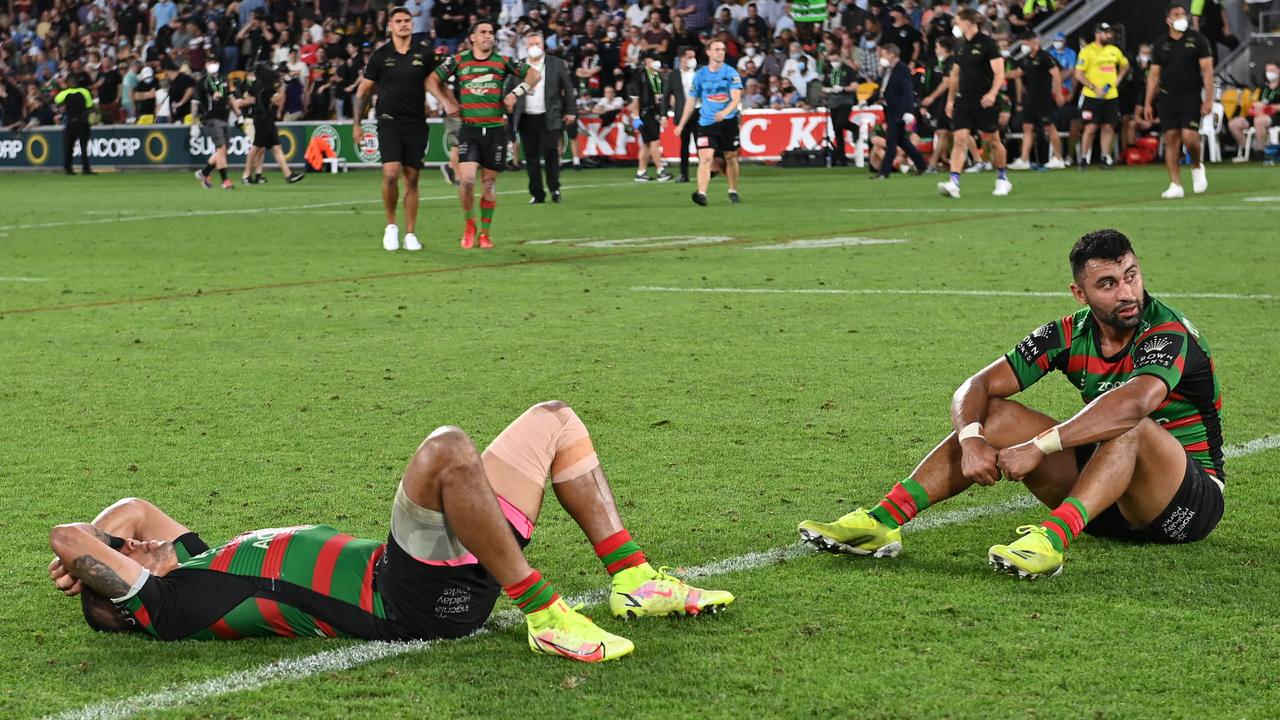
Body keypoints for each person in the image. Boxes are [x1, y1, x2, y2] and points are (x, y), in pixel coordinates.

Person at [47, 402, 734, 659]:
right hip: (406, 602)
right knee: (445, 450)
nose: (134, 541)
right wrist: (86, 555)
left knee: (556, 421)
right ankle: (545, 611)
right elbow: (66, 535)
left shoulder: (196, 559)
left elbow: (133, 508)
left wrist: (104, 546)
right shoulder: (170, 606)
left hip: (429, 570)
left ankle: (635, 580)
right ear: (128, 597)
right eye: (127, 557)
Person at [799, 229, 1225, 580]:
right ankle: (882, 520)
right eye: (1109, 284)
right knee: (995, 414)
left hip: (1184, 503)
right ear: (1080, 293)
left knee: (1130, 424)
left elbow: (1133, 406)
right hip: (1106, 500)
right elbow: (977, 385)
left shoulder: (1166, 331)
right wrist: (971, 441)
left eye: (1131, 276)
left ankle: (1052, 541)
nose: (1127, 292)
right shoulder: (1066, 333)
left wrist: (1039, 447)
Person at [353, 6, 459, 252]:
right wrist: (356, 124)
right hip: (389, 122)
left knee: (412, 179)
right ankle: (391, 226)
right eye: (398, 21)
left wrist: (448, 103)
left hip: (416, 124)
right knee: (390, 174)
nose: (403, 24)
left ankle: (410, 233)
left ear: (412, 24)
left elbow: (434, 84)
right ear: (390, 25)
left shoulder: (424, 54)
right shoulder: (380, 56)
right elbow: (362, 92)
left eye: (407, 20)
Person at [434, 20, 541, 249]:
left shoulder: (502, 61)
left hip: (495, 130)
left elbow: (533, 74)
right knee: (467, 180)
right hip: (470, 129)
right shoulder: (459, 60)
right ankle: (469, 224)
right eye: (482, 32)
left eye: (491, 33)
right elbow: (432, 79)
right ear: (472, 38)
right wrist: (447, 102)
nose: (488, 36)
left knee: (489, 184)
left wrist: (515, 93)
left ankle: (485, 233)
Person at [937, 7, 1011, 199]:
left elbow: (999, 72)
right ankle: (954, 183)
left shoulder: (988, 44)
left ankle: (1003, 178)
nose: (956, 25)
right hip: (964, 100)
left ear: (968, 22)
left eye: (958, 21)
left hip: (985, 99)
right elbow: (954, 76)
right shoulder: (960, 46)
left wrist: (993, 94)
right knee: (959, 139)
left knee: (992, 140)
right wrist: (950, 100)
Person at [1144, 5, 1213, 200]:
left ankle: (1197, 165)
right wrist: (1148, 102)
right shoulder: (1160, 45)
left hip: (1190, 96)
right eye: (1177, 14)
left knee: (1190, 137)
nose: (1182, 17)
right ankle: (1175, 184)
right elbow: (1153, 75)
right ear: (1168, 20)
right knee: (1171, 138)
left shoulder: (1198, 40)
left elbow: (1207, 71)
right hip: (1167, 97)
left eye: (1183, 14)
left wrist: (1208, 99)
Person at [674, 39, 743, 206]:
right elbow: (691, 101)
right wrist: (681, 124)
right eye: (717, 49)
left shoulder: (731, 73)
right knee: (705, 158)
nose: (721, 52)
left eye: (723, 49)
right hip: (706, 122)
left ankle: (732, 190)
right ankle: (702, 193)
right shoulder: (701, 75)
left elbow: (736, 98)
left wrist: (724, 112)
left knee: (730, 157)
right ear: (709, 52)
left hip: (728, 121)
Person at [513, 31, 576, 204]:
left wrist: (571, 111)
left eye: (538, 44)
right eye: (531, 44)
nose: (534, 47)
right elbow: (510, 89)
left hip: (549, 116)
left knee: (550, 153)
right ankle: (537, 193)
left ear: (543, 46)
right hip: (527, 118)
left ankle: (554, 188)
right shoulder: (519, 66)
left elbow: (568, 88)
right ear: (526, 46)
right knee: (531, 158)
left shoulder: (556, 64)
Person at [1008, 32, 1065, 170]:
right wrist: (997, 72)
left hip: (1043, 99)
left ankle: (1058, 158)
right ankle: (1024, 160)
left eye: (1025, 43)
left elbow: (1056, 75)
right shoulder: (1026, 59)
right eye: (1022, 43)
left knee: (1049, 127)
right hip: (1030, 99)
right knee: (1027, 127)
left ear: (1034, 41)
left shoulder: (1045, 57)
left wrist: (1058, 94)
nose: (1024, 46)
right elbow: (1017, 73)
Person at [1074, 22, 1128, 170]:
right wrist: (1093, 87)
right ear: (1097, 34)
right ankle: (1084, 158)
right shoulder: (1087, 51)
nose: (1109, 35)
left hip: (1111, 95)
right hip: (1092, 96)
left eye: (1109, 32)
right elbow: (1078, 74)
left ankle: (1105, 157)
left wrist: (1119, 78)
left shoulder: (1114, 50)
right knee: (1090, 128)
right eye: (1105, 33)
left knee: (1108, 127)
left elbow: (1125, 64)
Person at [869, 44, 927, 180]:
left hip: (899, 111)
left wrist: (909, 111)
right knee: (902, 141)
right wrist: (867, 101)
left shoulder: (902, 69)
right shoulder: (888, 70)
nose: (881, 57)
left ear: (892, 55)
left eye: (883, 54)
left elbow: (908, 92)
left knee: (891, 141)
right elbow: (883, 90)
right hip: (891, 110)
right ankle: (922, 165)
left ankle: (884, 172)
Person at [243, 63, 305, 185]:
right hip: (263, 119)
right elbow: (276, 100)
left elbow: (249, 95)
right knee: (256, 147)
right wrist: (283, 87)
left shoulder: (257, 84)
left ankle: (289, 175)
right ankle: (246, 175)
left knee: (276, 147)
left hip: (265, 118)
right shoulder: (264, 86)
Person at [628, 50, 674, 182]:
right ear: (647, 62)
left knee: (647, 143)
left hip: (654, 112)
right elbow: (635, 98)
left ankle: (641, 172)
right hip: (645, 112)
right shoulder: (640, 77)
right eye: (653, 60)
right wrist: (636, 117)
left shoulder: (658, 76)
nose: (656, 62)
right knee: (655, 141)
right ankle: (660, 170)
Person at [193, 61, 235, 190]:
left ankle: (204, 173)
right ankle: (225, 181)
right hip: (211, 118)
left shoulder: (225, 80)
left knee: (223, 151)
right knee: (221, 149)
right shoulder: (202, 83)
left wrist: (238, 114)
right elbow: (195, 103)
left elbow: (230, 98)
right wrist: (194, 123)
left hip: (224, 117)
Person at [662, 45, 701, 182]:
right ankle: (684, 174)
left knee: (700, 145)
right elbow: (666, 96)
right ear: (682, 58)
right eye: (689, 56)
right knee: (684, 146)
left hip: (699, 113)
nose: (692, 59)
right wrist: (663, 115)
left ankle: (705, 171)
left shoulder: (700, 71)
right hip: (682, 114)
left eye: (693, 56)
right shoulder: (674, 75)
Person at [1229, 62, 1279, 161]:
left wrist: (1268, 106)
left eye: (1272, 71)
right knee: (1234, 123)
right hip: (1259, 115)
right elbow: (1258, 103)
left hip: (1275, 116)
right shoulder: (1263, 88)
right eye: (1267, 71)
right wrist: (1255, 107)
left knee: (1259, 121)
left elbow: (1270, 105)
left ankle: (1261, 152)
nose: (1269, 73)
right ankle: (1250, 150)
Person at [920, 37, 955, 172]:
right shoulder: (943, 63)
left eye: (937, 47)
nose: (936, 50)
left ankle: (977, 160)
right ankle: (934, 164)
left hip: (952, 101)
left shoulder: (951, 62)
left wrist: (931, 97)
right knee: (942, 132)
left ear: (944, 48)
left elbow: (947, 83)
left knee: (960, 133)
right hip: (945, 102)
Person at [820, 49, 859, 166]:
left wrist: (843, 88)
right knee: (837, 130)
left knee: (841, 122)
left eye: (835, 58)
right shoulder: (828, 70)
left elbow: (855, 86)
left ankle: (854, 128)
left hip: (846, 100)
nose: (833, 61)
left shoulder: (848, 70)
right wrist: (826, 90)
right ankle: (841, 159)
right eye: (831, 58)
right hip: (833, 102)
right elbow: (822, 86)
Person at [55, 73, 94, 176]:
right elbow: (90, 106)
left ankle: (68, 169)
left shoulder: (65, 93)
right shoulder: (84, 92)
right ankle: (86, 169)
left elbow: (57, 100)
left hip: (71, 123)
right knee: (83, 147)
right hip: (82, 122)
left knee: (68, 147)